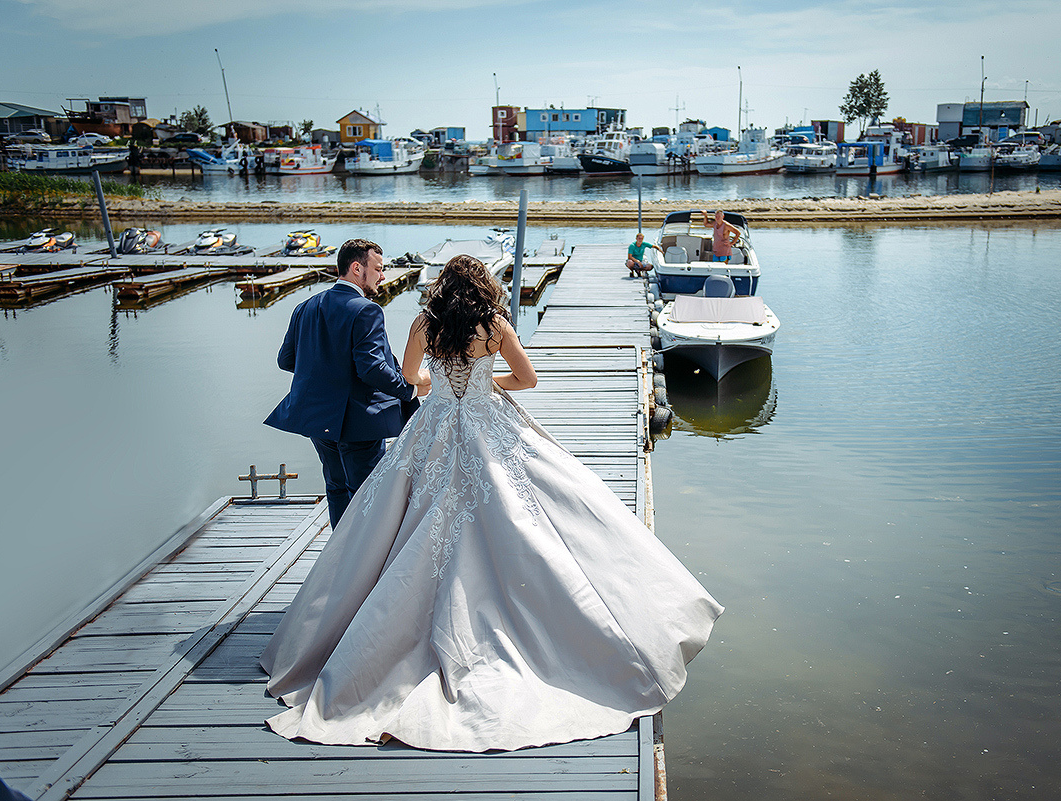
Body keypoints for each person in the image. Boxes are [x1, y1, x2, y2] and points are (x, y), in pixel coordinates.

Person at [260, 254, 722, 753]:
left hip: (435, 424)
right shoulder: (495, 326)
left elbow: (411, 377)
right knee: (531, 508)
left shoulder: (424, 324)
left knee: (393, 515)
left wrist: (439, 386)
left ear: (441, 288)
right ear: (482, 286)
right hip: (487, 420)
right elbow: (528, 380)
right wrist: (485, 383)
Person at [264, 238, 423, 529]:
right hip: (359, 421)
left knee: (336, 488)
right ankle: (364, 554)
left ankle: (340, 550)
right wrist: (409, 390)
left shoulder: (305, 307)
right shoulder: (366, 310)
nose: (382, 276)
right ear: (356, 268)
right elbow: (372, 369)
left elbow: (286, 360)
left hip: (317, 418)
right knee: (367, 493)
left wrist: (328, 374)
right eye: (378, 268)